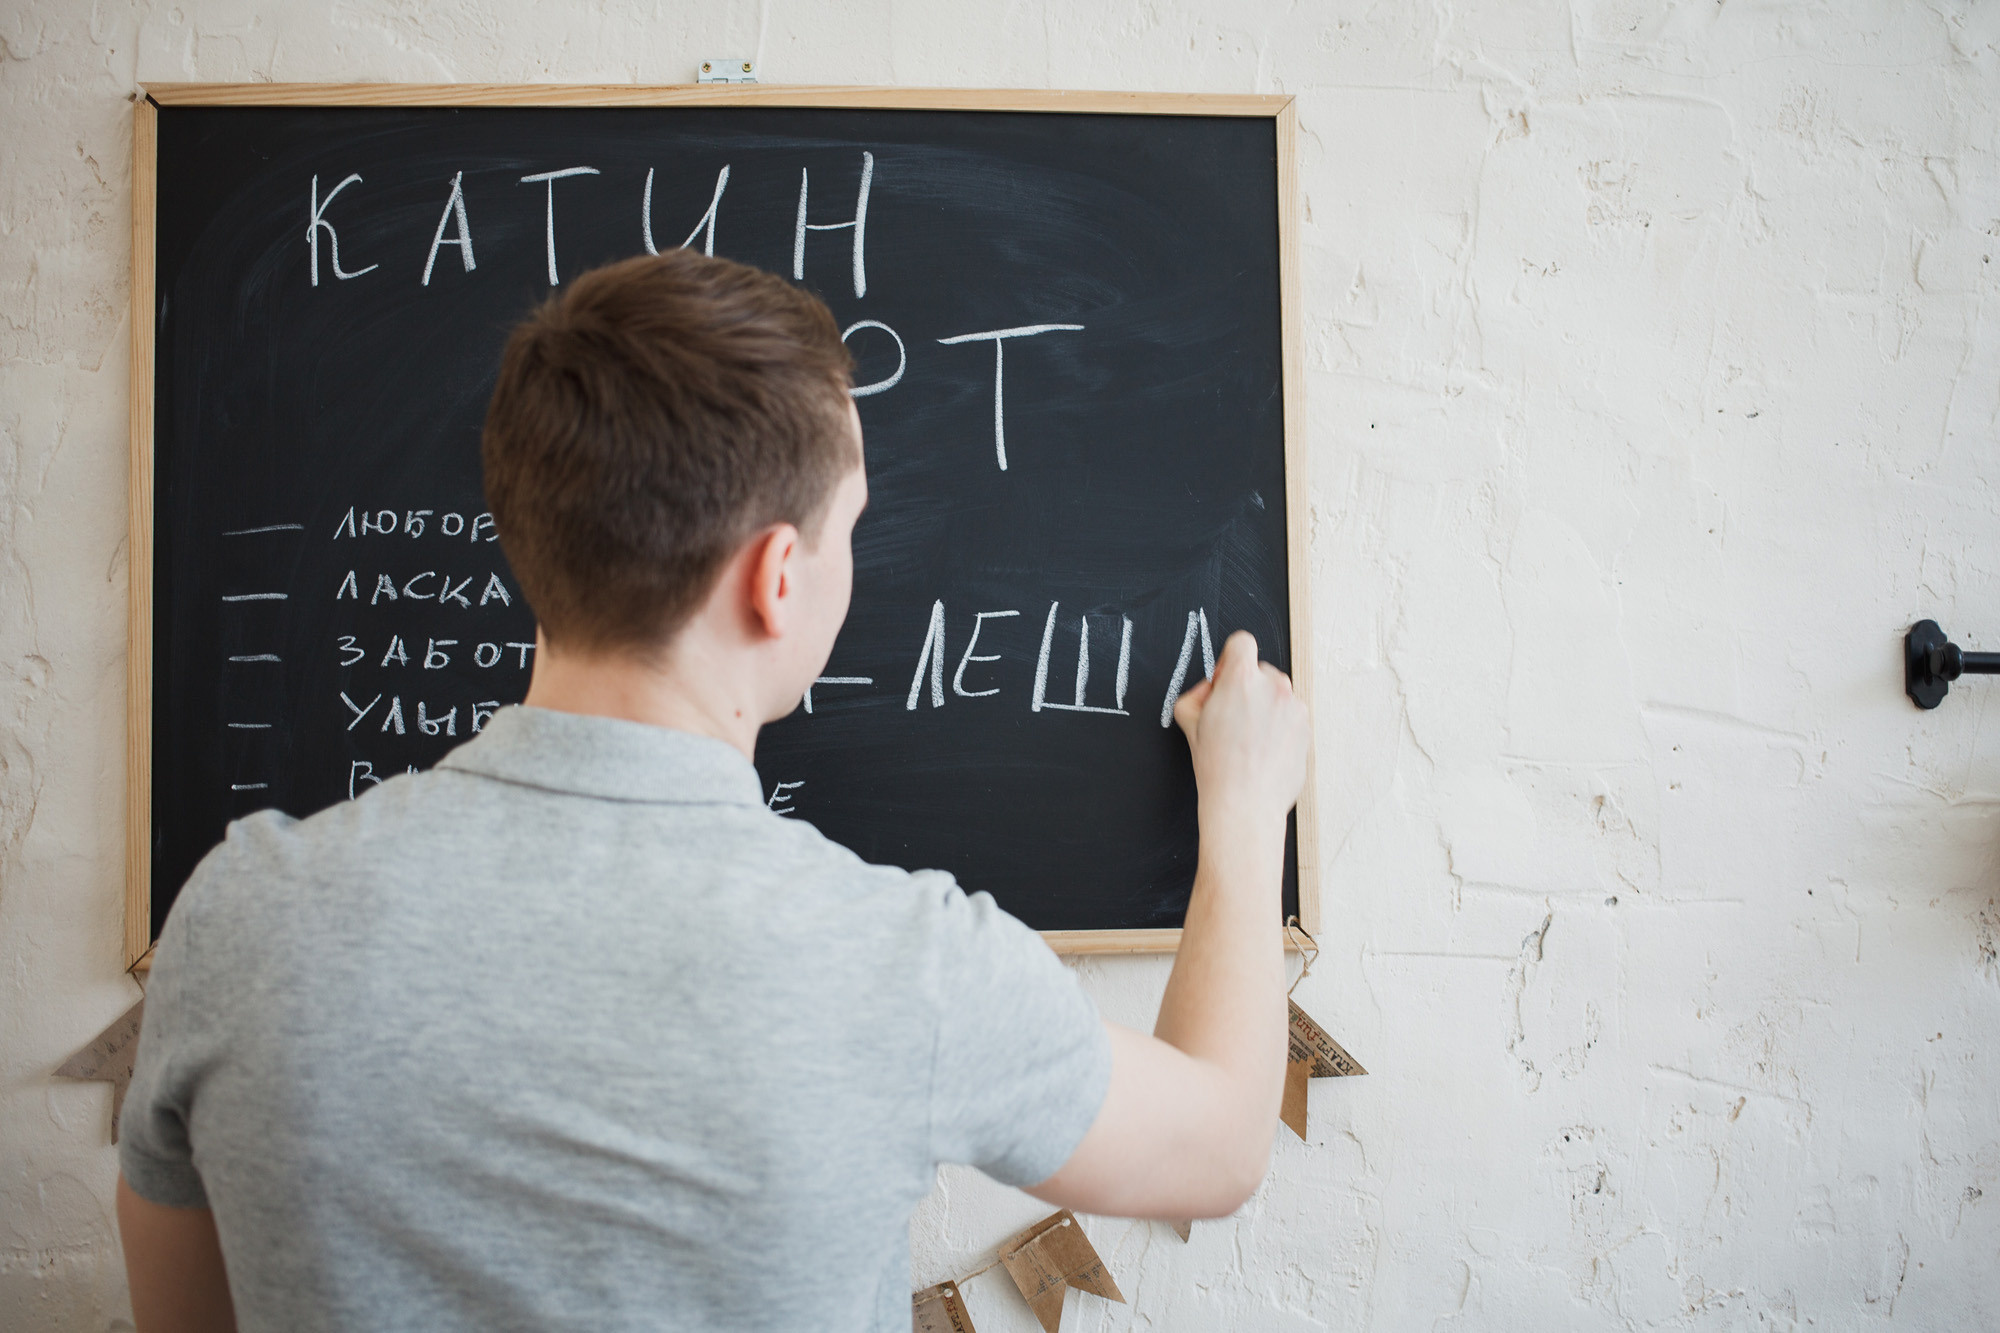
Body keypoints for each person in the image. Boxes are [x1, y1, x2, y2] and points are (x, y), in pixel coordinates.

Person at [115, 250, 1311, 1332]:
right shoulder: (903, 963)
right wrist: (1247, 812)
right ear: (776, 578)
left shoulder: (239, 918)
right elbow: (1215, 1148)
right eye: (849, 527)